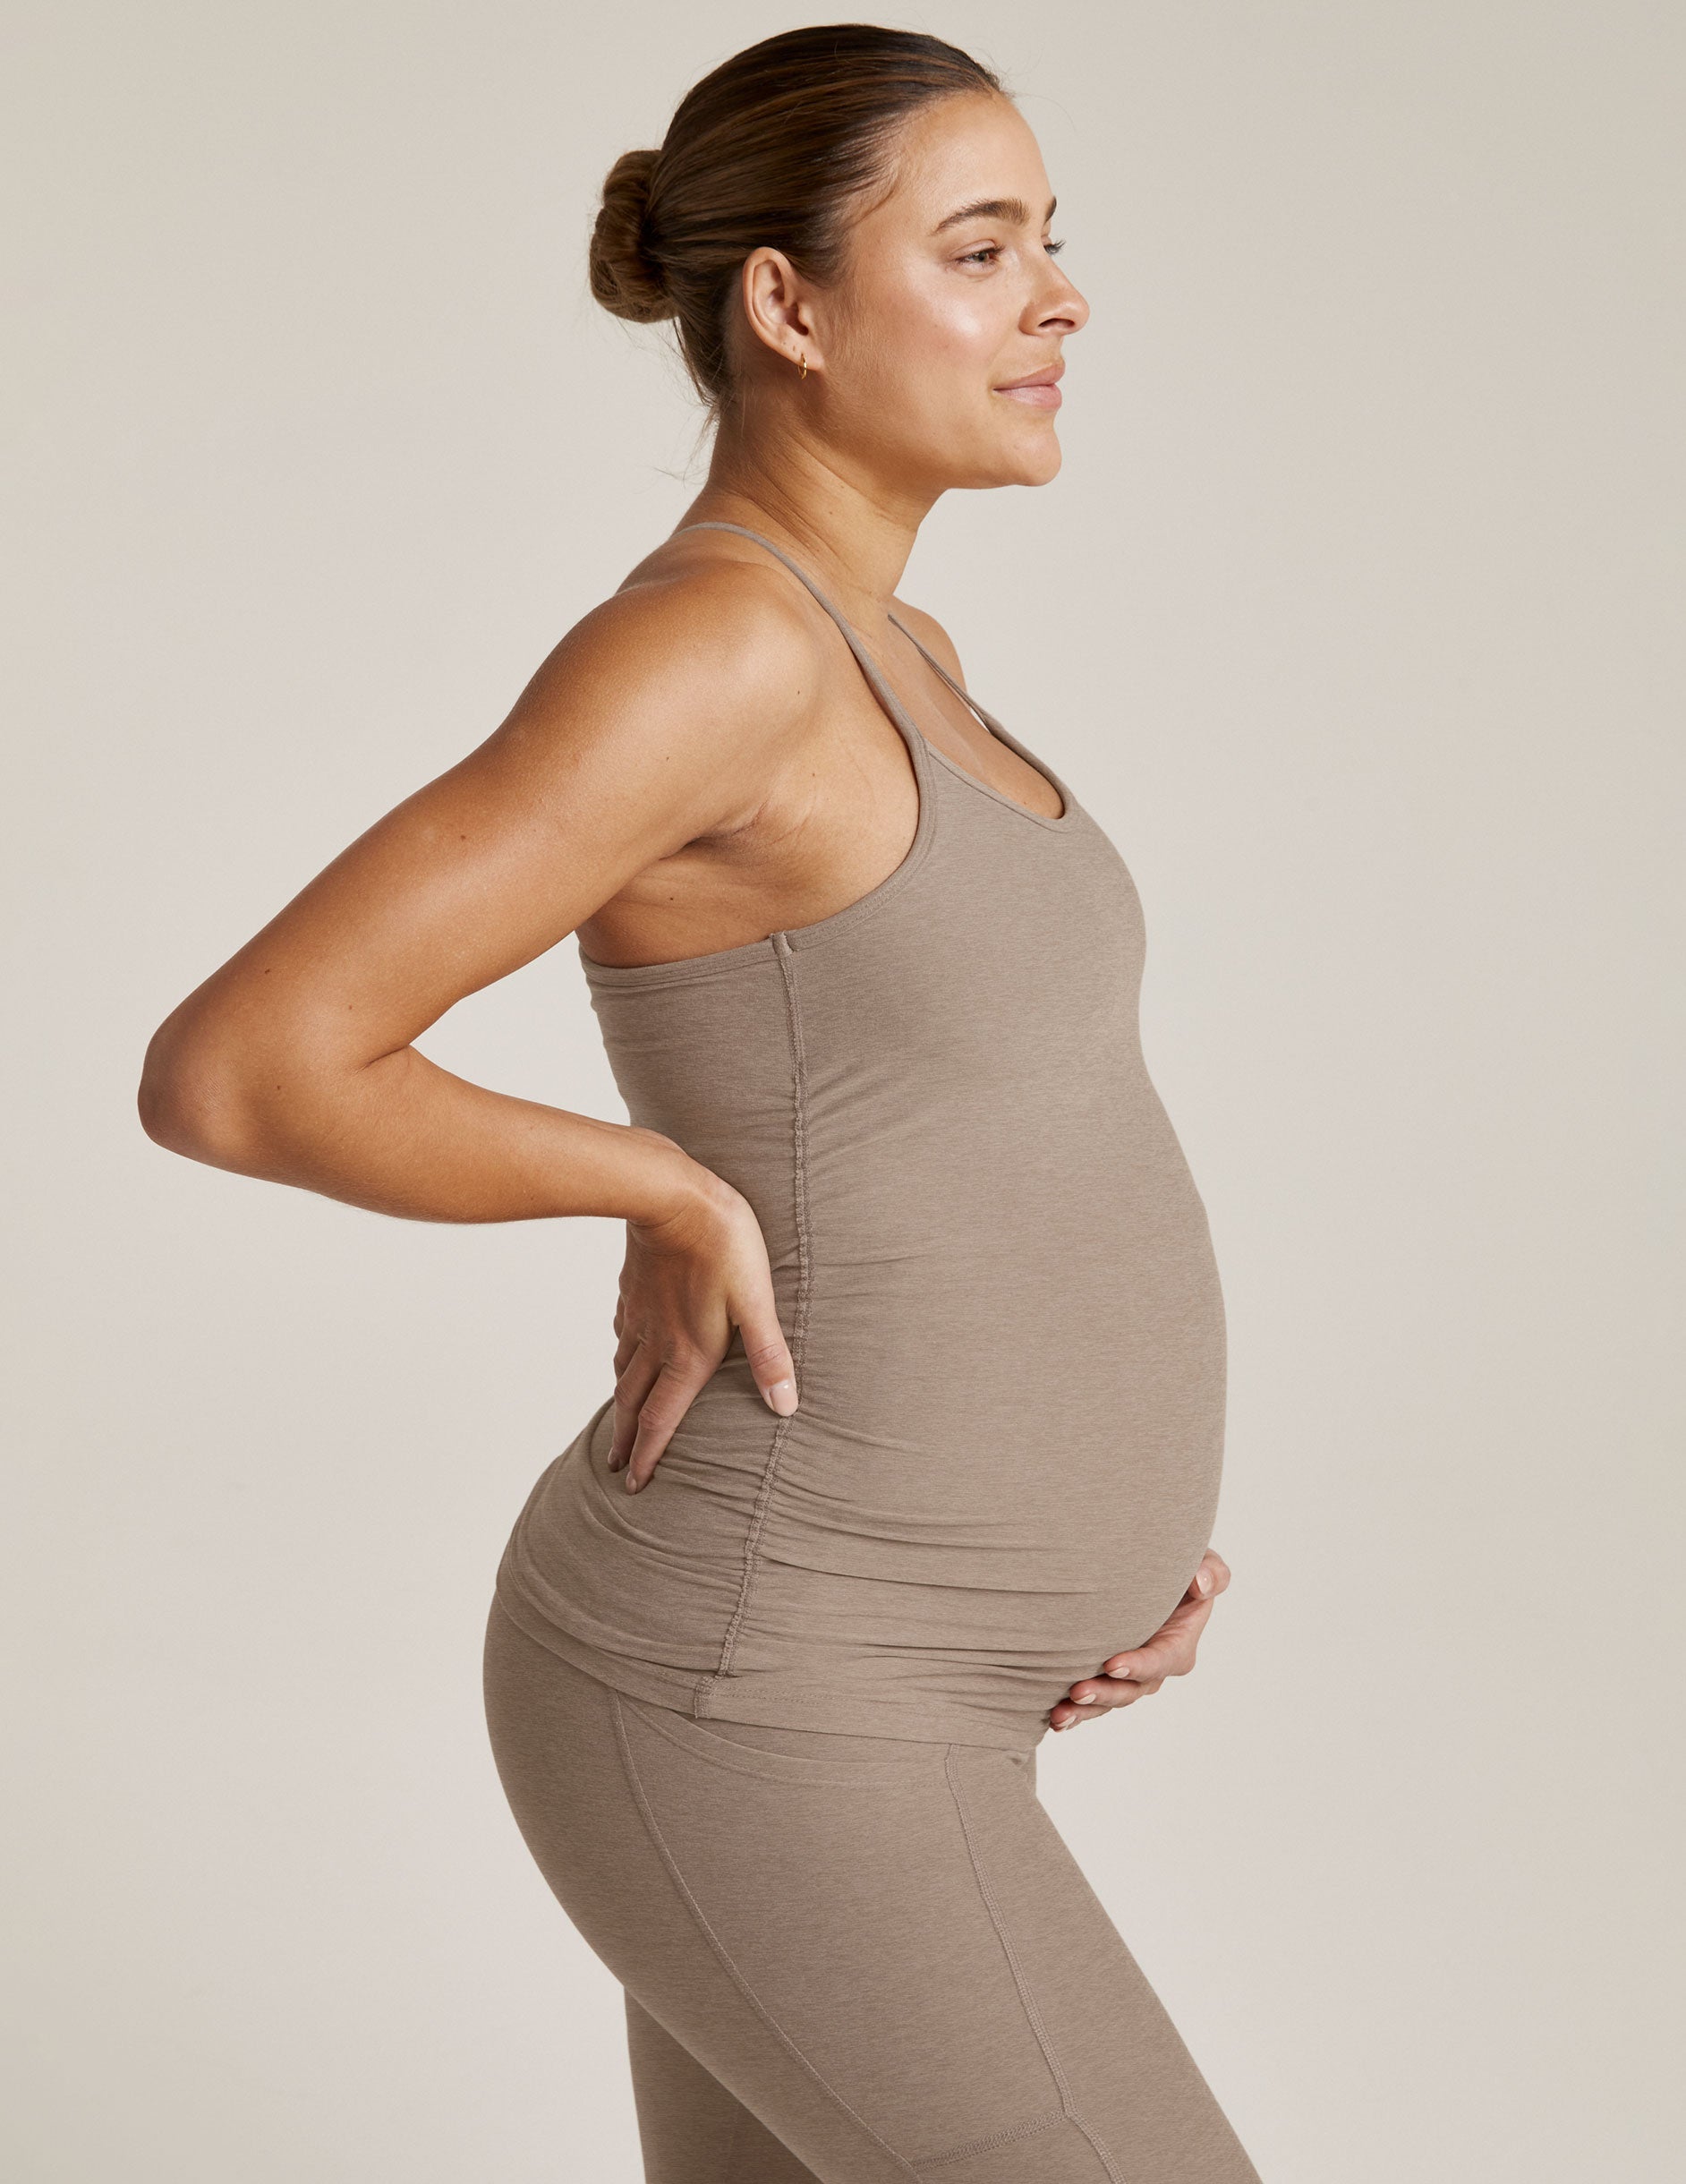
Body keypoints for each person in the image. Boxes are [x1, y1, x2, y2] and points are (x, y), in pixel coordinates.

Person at [140, 24, 1263, 2182]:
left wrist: (1092, 1537)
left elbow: (979, 1130)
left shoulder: (895, 646)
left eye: (1055, 239)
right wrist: (651, 1180)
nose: (1063, 294)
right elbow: (244, 1064)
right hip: (767, 1691)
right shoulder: (720, 651)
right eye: (983, 243)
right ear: (787, 304)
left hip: (892, 1686)